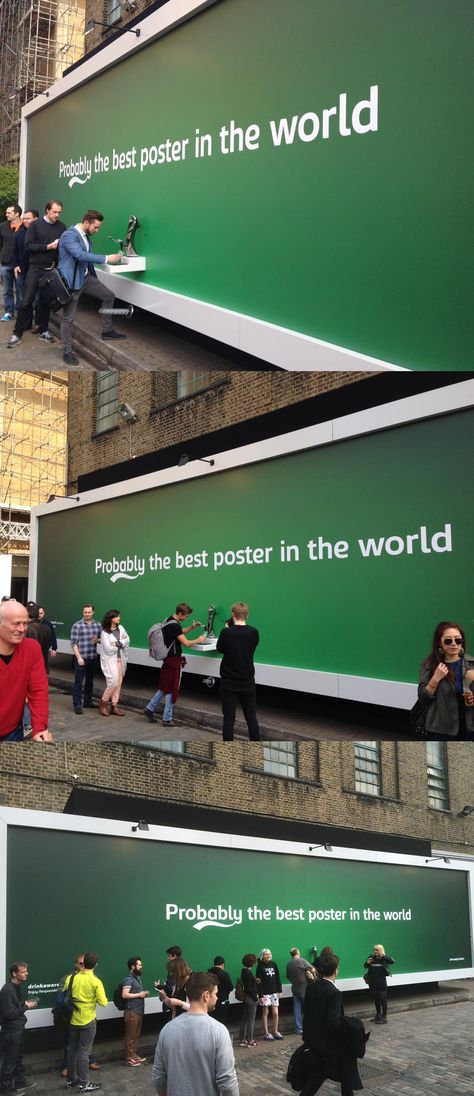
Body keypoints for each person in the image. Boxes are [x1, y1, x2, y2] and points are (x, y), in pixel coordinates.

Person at [152, 971, 239, 1096]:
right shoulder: (219, 1031)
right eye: (215, 993)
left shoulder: (167, 1029)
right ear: (206, 995)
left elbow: (159, 1077)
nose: (217, 997)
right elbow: (227, 1082)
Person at [58, 210, 125, 366]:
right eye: (96, 227)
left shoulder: (86, 236)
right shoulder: (69, 235)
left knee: (108, 295)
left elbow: (85, 260)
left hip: (86, 277)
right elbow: (80, 255)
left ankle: (107, 331)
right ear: (86, 223)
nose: (97, 230)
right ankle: (67, 351)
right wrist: (107, 258)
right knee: (68, 318)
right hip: (72, 282)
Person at [7, 200, 67, 348]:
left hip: (51, 269)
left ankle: (44, 330)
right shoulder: (35, 225)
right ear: (47, 210)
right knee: (26, 301)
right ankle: (17, 334)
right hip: (35, 269)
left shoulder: (62, 226)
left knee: (45, 302)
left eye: (59, 212)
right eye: (54, 212)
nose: (57, 215)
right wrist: (47, 247)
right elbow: (28, 246)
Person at [302, 954, 363, 1096]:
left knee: (318, 1076)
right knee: (346, 1073)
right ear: (336, 970)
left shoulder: (311, 987)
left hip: (313, 1040)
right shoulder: (334, 992)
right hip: (329, 1045)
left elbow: (307, 1013)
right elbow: (334, 1022)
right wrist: (350, 1024)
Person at [143, 604, 206, 726]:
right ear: (180, 614)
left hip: (168, 660)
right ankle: (167, 718)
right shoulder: (174, 625)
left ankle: (149, 708)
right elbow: (187, 643)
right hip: (174, 661)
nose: (187, 618)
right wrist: (199, 640)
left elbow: (179, 632)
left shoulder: (169, 620)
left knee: (164, 686)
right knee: (172, 689)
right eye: (186, 616)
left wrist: (192, 627)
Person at [0, 599, 52, 741]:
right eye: (16, 624)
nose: (22, 629)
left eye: (25, 623)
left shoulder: (31, 648)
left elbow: (39, 691)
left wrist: (40, 729)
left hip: (13, 731)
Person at [417, 621, 474, 737]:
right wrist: (435, 679)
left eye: (458, 640)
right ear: (440, 643)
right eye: (448, 641)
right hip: (442, 730)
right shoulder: (430, 666)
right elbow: (423, 699)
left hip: (470, 727)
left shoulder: (471, 664)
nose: (454, 644)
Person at [64, 951, 107, 1094]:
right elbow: (104, 1002)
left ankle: (70, 1079)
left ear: (83, 963)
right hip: (88, 1019)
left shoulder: (71, 978)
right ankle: (84, 1084)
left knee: (72, 1050)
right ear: (96, 965)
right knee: (83, 1052)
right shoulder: (96, 981)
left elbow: (65, 994)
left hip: (73, 1018)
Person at [216, 602, 260, 741]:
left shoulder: (226, 632)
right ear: (247, 615)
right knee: (251, 718)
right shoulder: (254, 632)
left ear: (233, 615)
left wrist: (227, 629)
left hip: (228, 682)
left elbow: (220, 649)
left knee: (229, 719)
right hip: (247, 681)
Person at [58, 956, 101, 1079]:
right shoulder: (68, 978)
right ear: (76, 964)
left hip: (88, 1015)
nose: (83, 965)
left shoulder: (93, 978)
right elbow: (61, 994)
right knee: (70, 1044)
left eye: (84, 963)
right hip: (71, 1015)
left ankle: (89, 1061)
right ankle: (67, 1067)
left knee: (85, 1044)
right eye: (80, 963)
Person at [0, 960, 38, 1093]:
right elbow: (8, 1013)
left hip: (17, 1029)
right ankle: (5, 1089)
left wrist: (24, 1005)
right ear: (14, 973)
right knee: (10, 1060)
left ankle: (19, 1082)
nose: (27, 973)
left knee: (17, 1057)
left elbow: (14, 1009)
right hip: (11, 1031)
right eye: (23, 971)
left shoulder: (15, 987)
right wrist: (26, 1006)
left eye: (26, 970)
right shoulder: (8, 990)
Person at [70, 604, 102, 714]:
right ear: (83, 612)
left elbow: (102, 639)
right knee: (78, 683)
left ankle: (87, 701)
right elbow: (73, 643)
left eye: (89, 612)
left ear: (93, 612)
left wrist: (97, 640)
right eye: (85, 612)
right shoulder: (77, 625)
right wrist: (78, 657)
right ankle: (77, 705)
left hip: (92, 657)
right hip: (81, 658)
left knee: (89, 681)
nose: (87, 614)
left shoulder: (98, 625)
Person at [98, 609, 130, 717]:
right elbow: (108, 649)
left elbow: (128, 640)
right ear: (111, 618)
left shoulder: (120, 628)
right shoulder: (104, 633)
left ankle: (114, 706)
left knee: (119, 683)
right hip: (110, 661)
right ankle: (103, 702)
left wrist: (117, 643)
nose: (119, 618)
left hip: (120, 660)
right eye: (117, 617)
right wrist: (121, 643)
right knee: (113, 682)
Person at [121, 956, 149, 1067]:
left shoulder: (136, 978)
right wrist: (140, 994)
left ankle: (133, 1055)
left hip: (138, 1011)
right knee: (130, 1035)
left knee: (135, 1035)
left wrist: (142, 993)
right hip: (131, 1011)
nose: (141, 966)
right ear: (133, 966)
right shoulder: (129, 979)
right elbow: (125, 994)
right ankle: (128, 1059)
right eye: (139, 965)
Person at [12, 210, 39, 319]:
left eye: (28, 218)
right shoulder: (19, 232)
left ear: (36, 219)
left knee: (37, 298)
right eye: (24, 218)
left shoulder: (40, 233)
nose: (25, 221)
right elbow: (14, 250)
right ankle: (24, 322)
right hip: (22, 271)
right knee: (22, 298)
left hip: (36, 271)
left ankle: (38, 323)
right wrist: (16, 265)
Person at [286, 947, 316, 1035]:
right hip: (304, 988)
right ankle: (310, 1027)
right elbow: (312, 969)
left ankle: (298, 1029)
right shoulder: (301, 960)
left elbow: (288, 976)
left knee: (297, 1009)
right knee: (308, 1008)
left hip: (295, 988)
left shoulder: (289, 964)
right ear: (298, 952)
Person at [0, 203, 23, 321]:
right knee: (7, 290)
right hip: (5, 264)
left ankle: (20, 313)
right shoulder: (2, 227)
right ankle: (9, 312)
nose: (6, 214)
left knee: (20, 290)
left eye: (9, 212)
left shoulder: (25, 226)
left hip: (19, 265)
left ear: (17, 214)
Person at [255, 948, 283, 1040]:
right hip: (265, 993)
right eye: (266, 954)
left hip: (274, 992)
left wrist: (280, 990)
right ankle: (266, 1033)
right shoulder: (259, 966)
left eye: (269, 954)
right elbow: (258, 982)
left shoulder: (274, 964)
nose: (268, 955)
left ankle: (275, 1031)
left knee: (275, 1013)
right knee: (265, 1012)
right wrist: (261, 995)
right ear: (262, 956)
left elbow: (278, 977)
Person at [363, 945, 395, 1024]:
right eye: (374, 950)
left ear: (380, 950)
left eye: (377, 950)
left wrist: (383, 956)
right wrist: (367, 962)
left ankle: (384, 1017)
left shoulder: (384, 958)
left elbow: (392, 961)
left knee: (383, 999)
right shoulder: (371, 957)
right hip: (372, 981)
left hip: (381, 982)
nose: (375, 951)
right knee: (376, 999)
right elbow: (365, 966)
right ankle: (378, 1015)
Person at [238, 954, 259, 1048]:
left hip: (246, 998)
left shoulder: (244, 971)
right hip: (250, 998)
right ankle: (250, 1040)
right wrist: (256, 997)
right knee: (251, 1020)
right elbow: (249, 988)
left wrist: (255, 980)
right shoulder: (248, 972)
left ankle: (242, 1039)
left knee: (245, 1019)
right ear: (252, 962)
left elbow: (248, 984)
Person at [207, 957, 233, 1026]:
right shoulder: (224, 974)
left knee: (212, 1023)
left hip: (210, 1002)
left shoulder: (208, 973)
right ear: (222, 965)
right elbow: (231, 987)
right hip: (222, 1001)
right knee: (221, 1023)